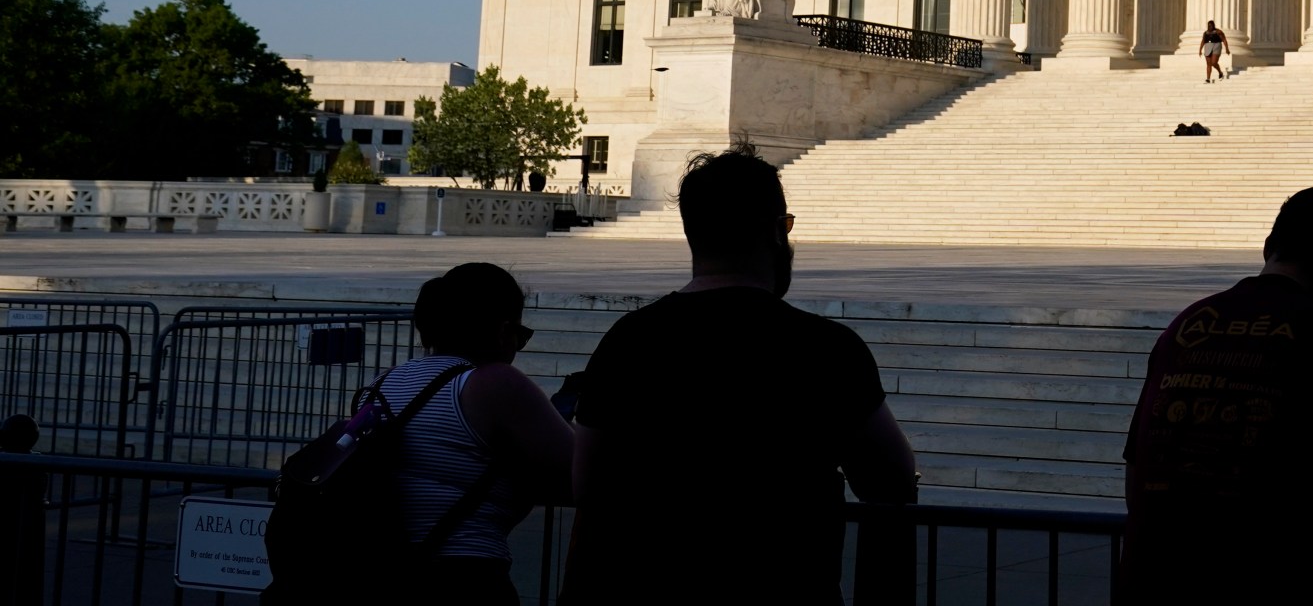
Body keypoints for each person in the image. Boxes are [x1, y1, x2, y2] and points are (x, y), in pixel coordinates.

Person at [563, 151, 917, 605]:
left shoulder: (628, 340)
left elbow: (588, 483)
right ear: (774, 230)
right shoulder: (825, 347)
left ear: (693, 234)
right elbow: (891, 480)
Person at [1120, 187, 1313, 605]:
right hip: (1271, 581)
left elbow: (1135, 471)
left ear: (1268, 247)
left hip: (1153, 580)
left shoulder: (1188, 323)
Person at [380, 262, 572, 605]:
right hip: (464, 575)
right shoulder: (494, 382)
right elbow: (583, 465)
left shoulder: (385, 384)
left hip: (383, 571)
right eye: (521, 335)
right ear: (503, 331)